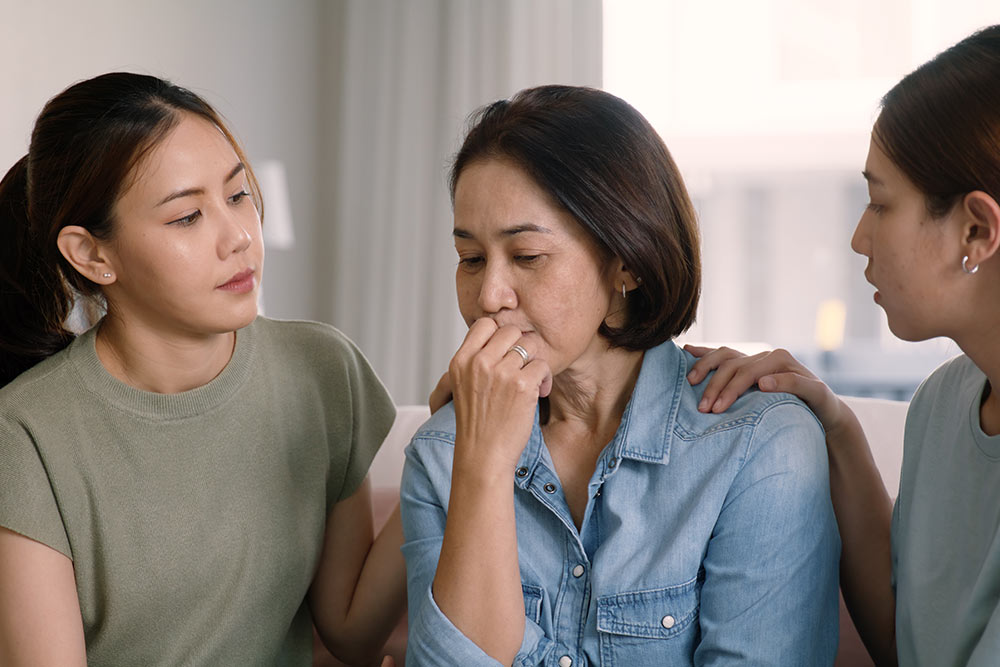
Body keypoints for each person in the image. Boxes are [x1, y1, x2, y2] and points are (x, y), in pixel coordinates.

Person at [399, 85, 840, 666]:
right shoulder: (443, 454)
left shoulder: (760, 447)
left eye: (527, 256)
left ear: (625, 262)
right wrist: (481, 468)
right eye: (471, 259)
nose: (489, 296)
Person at [0, 72, 405, 666]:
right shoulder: (26, 433)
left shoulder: (322, 370)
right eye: (188, 216)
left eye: (238, 195)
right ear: (93, 253)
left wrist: (454, 459)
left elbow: (350, 630)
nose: (239, 236)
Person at [685, 25, 1000, 667]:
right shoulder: (944, 403)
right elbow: (902, 638)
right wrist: (836, 426)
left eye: (880, 204)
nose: (860, 238)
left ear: (975, 230)